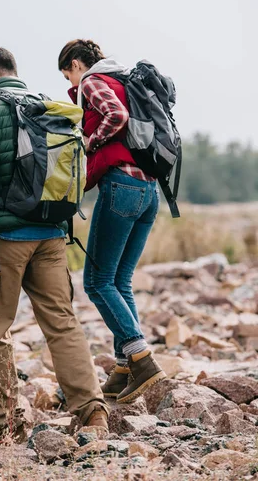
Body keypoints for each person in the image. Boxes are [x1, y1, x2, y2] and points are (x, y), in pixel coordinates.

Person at [0, 47, 108, 440]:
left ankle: (4, 427)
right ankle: (92, 413)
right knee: (62, 324)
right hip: (52, 233)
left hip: (4, 239)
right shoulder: (41, 104)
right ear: (13, 72)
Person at [58, 39, 166, 404]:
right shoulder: (125, 78)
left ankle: (142, 359)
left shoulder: (91, 81)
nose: (70, 83)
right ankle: (124, 368)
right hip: (149, 191)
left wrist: (90, 143)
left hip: (121, 185)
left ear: (76, 63)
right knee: (120, 280)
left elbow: (115, 115)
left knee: (96, 281)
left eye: (67, 73)